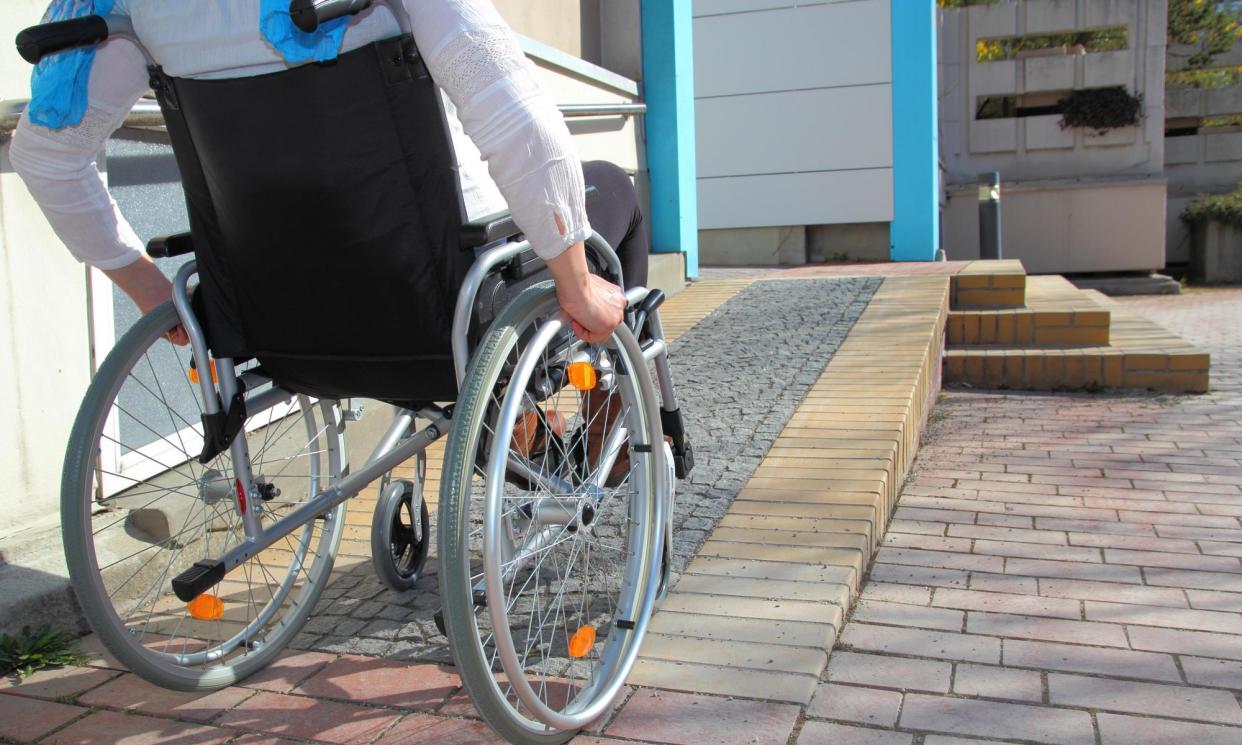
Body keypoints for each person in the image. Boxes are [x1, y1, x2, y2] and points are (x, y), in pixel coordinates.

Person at [11, 0, 647, 346]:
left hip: (270, 311)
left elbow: (45, 156)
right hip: (434, 292)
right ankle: (605, 409)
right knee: (616, 195)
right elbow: (514, 117)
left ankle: (524, 431)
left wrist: (153, 294)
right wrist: (576, 283)